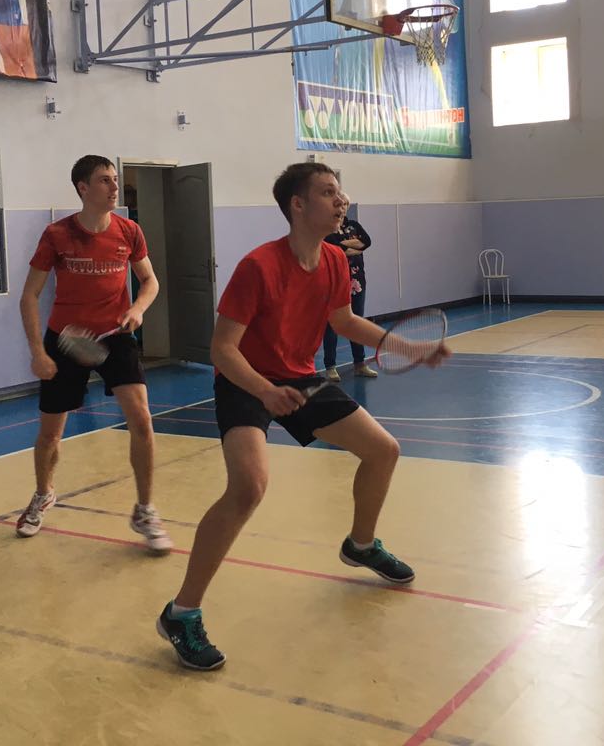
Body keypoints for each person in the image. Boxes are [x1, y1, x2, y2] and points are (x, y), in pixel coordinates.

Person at [156, 162, 450, 671]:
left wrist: (409, 347)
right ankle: (181, 613)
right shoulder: (258, 266)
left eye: (341, 192)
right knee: (248, 488)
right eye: (329, 192)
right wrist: (265, 391)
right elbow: (223, 349)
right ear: (298, 204)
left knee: (383, 450)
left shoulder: (335, 259)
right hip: (246, 381)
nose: (342, 201)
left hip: (300, 377)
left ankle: (360, 545)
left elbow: (344, 321)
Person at [16, 155, 172, 553]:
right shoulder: (57, 234)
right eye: (105, 180)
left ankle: (145, 510)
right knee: (51, 434)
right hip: (65, 341)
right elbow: (30, 296)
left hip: (116, 336)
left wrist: (138, 309)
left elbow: (149, 281)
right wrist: (38, 352)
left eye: (115, 179)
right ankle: (43, 494)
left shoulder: (129, 231)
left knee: (142, 420)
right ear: (83, 188)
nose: (115, 186)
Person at [322, 193, 377, 381]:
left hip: (357, 282)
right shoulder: (326, 227)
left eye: (346, 204)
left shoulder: (354, 225)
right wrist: (351, 246)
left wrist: (343, 246)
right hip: (334, 283)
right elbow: (333, 247)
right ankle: (330, 366)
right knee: (331, 325)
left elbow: (367, 242)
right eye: (340, 203)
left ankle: (360, 363)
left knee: (356, 321)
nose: (343, 207)